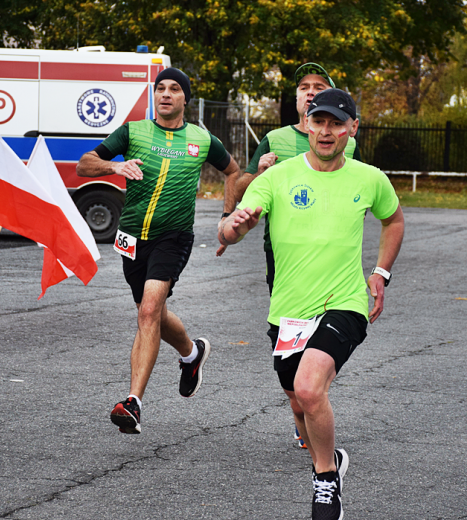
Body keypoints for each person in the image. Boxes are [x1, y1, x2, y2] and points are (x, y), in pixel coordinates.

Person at [218, 88, 404, 519]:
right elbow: (229, 234)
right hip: (288, 311)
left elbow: (393, 219)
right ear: (306, 124)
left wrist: (380, 273)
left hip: (345, 303)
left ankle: (325, 481)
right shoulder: (277, 178)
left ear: (351, 129)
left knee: (308, 387)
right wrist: (234, 226)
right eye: (318, 121)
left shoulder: (369, 178)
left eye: (336, 123)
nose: (326, 131)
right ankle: (331, 457)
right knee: (299, 400)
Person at [77, 67, 240, 434]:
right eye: (160, 88)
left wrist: (228, 216)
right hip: (132, 236)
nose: (165, 94)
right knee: (151, 313)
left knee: (149, 310)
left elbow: (233, 172)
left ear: (185, 99)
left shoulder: (201, 139)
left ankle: (132, 402)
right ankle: (192, 354)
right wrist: (114, 166)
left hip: (173, 236)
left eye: (174, 89)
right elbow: (83, 164)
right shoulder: (133, 132)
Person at [234, 62, 361, 450]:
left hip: (333, 267)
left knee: (312, 365)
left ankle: (310, 395)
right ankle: (301, 402)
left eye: (318, 85)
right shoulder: (273, 138)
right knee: (291, 357)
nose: (309, 91)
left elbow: (352, 185)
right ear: (299, 106)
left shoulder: (346, 142)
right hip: (283, 258)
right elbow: (241, 184)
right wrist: (248, 191)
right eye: (303, 86)